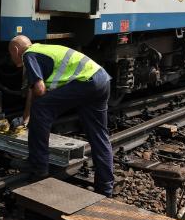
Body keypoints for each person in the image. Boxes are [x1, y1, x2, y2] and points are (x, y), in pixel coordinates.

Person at [8, 35, 115, 197]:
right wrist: (26, 118)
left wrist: (34, 115)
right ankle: (105, 188)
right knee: (99, 135)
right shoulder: (43, 50)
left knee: (42, 107)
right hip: (101, 80)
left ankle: (38, 167)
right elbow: (33, 90)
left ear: (15, 50)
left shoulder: (28, 55)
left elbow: (39, 89)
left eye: (11, 54)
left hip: (86, 83)